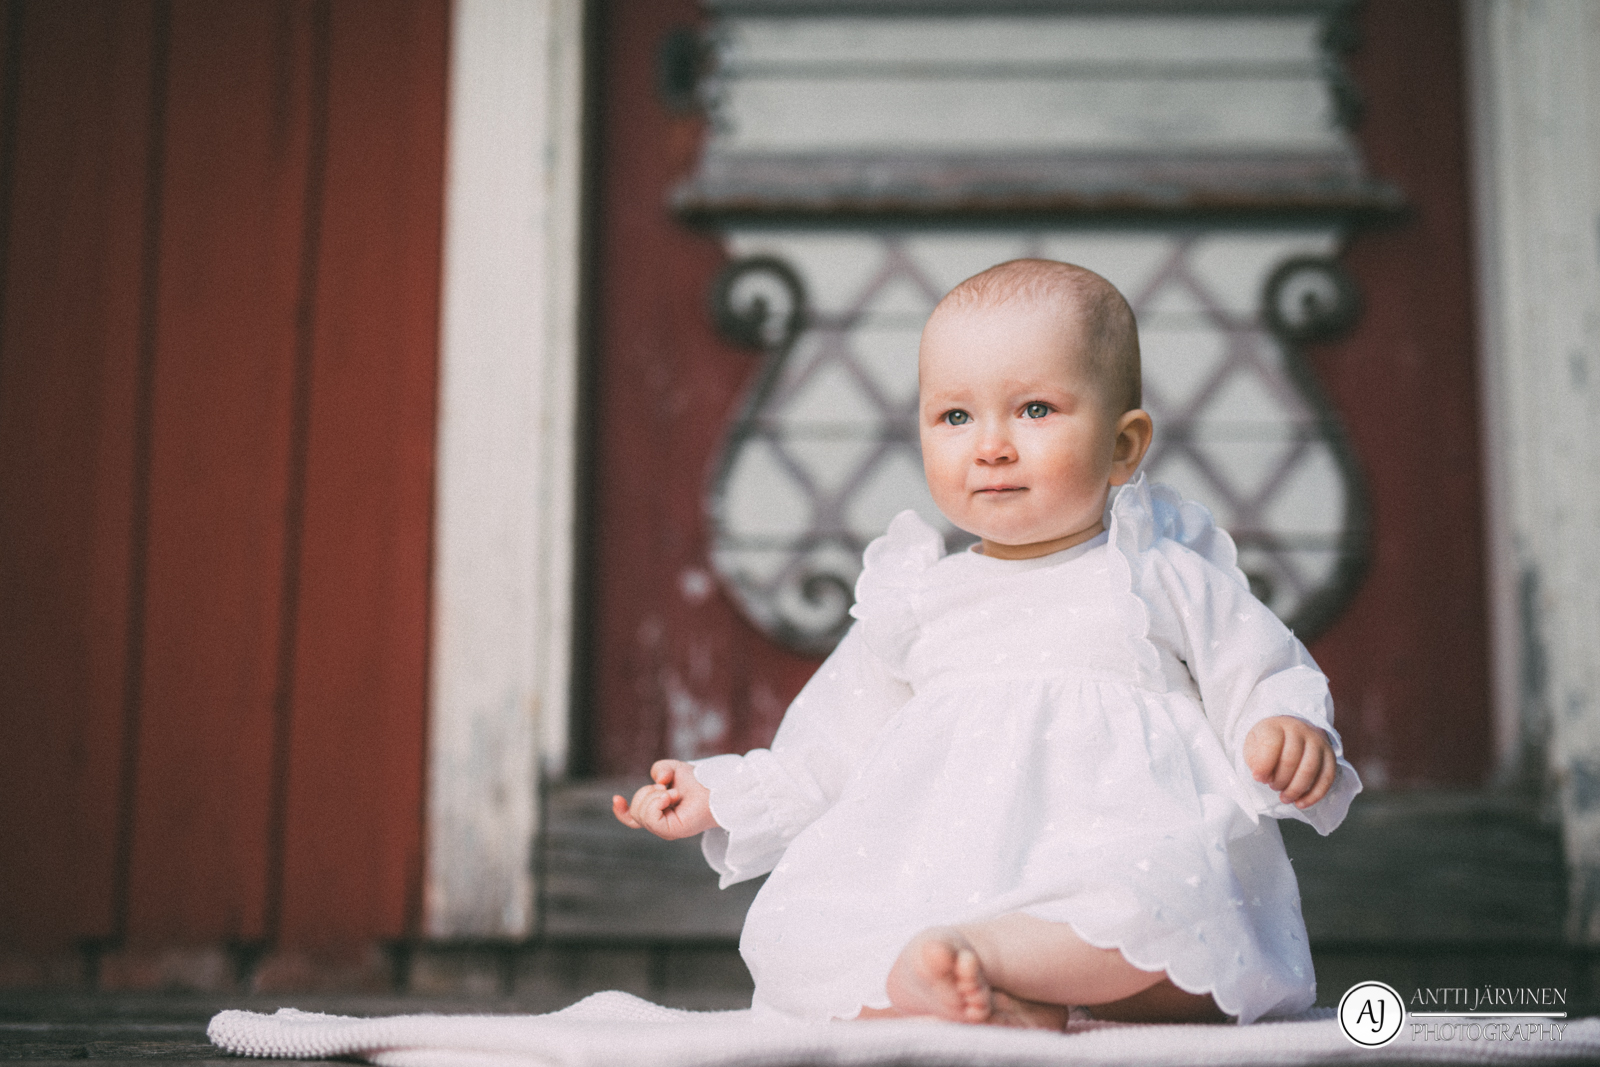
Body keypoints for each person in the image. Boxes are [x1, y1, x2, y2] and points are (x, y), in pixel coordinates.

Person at [613, 259, 1360, 1028]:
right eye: (955, 417)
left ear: (1123, 445)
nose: (991, 445)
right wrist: (722, 793)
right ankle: (976, 983)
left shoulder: (1158, 573)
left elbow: (1258, 667)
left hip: (1117, 852)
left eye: (1035, 409)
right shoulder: (916, 601)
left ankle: (1002, 961)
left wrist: (1282, 725)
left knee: (1175, 907)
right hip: (948, 870)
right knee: (807, 934)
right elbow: (831, 745)